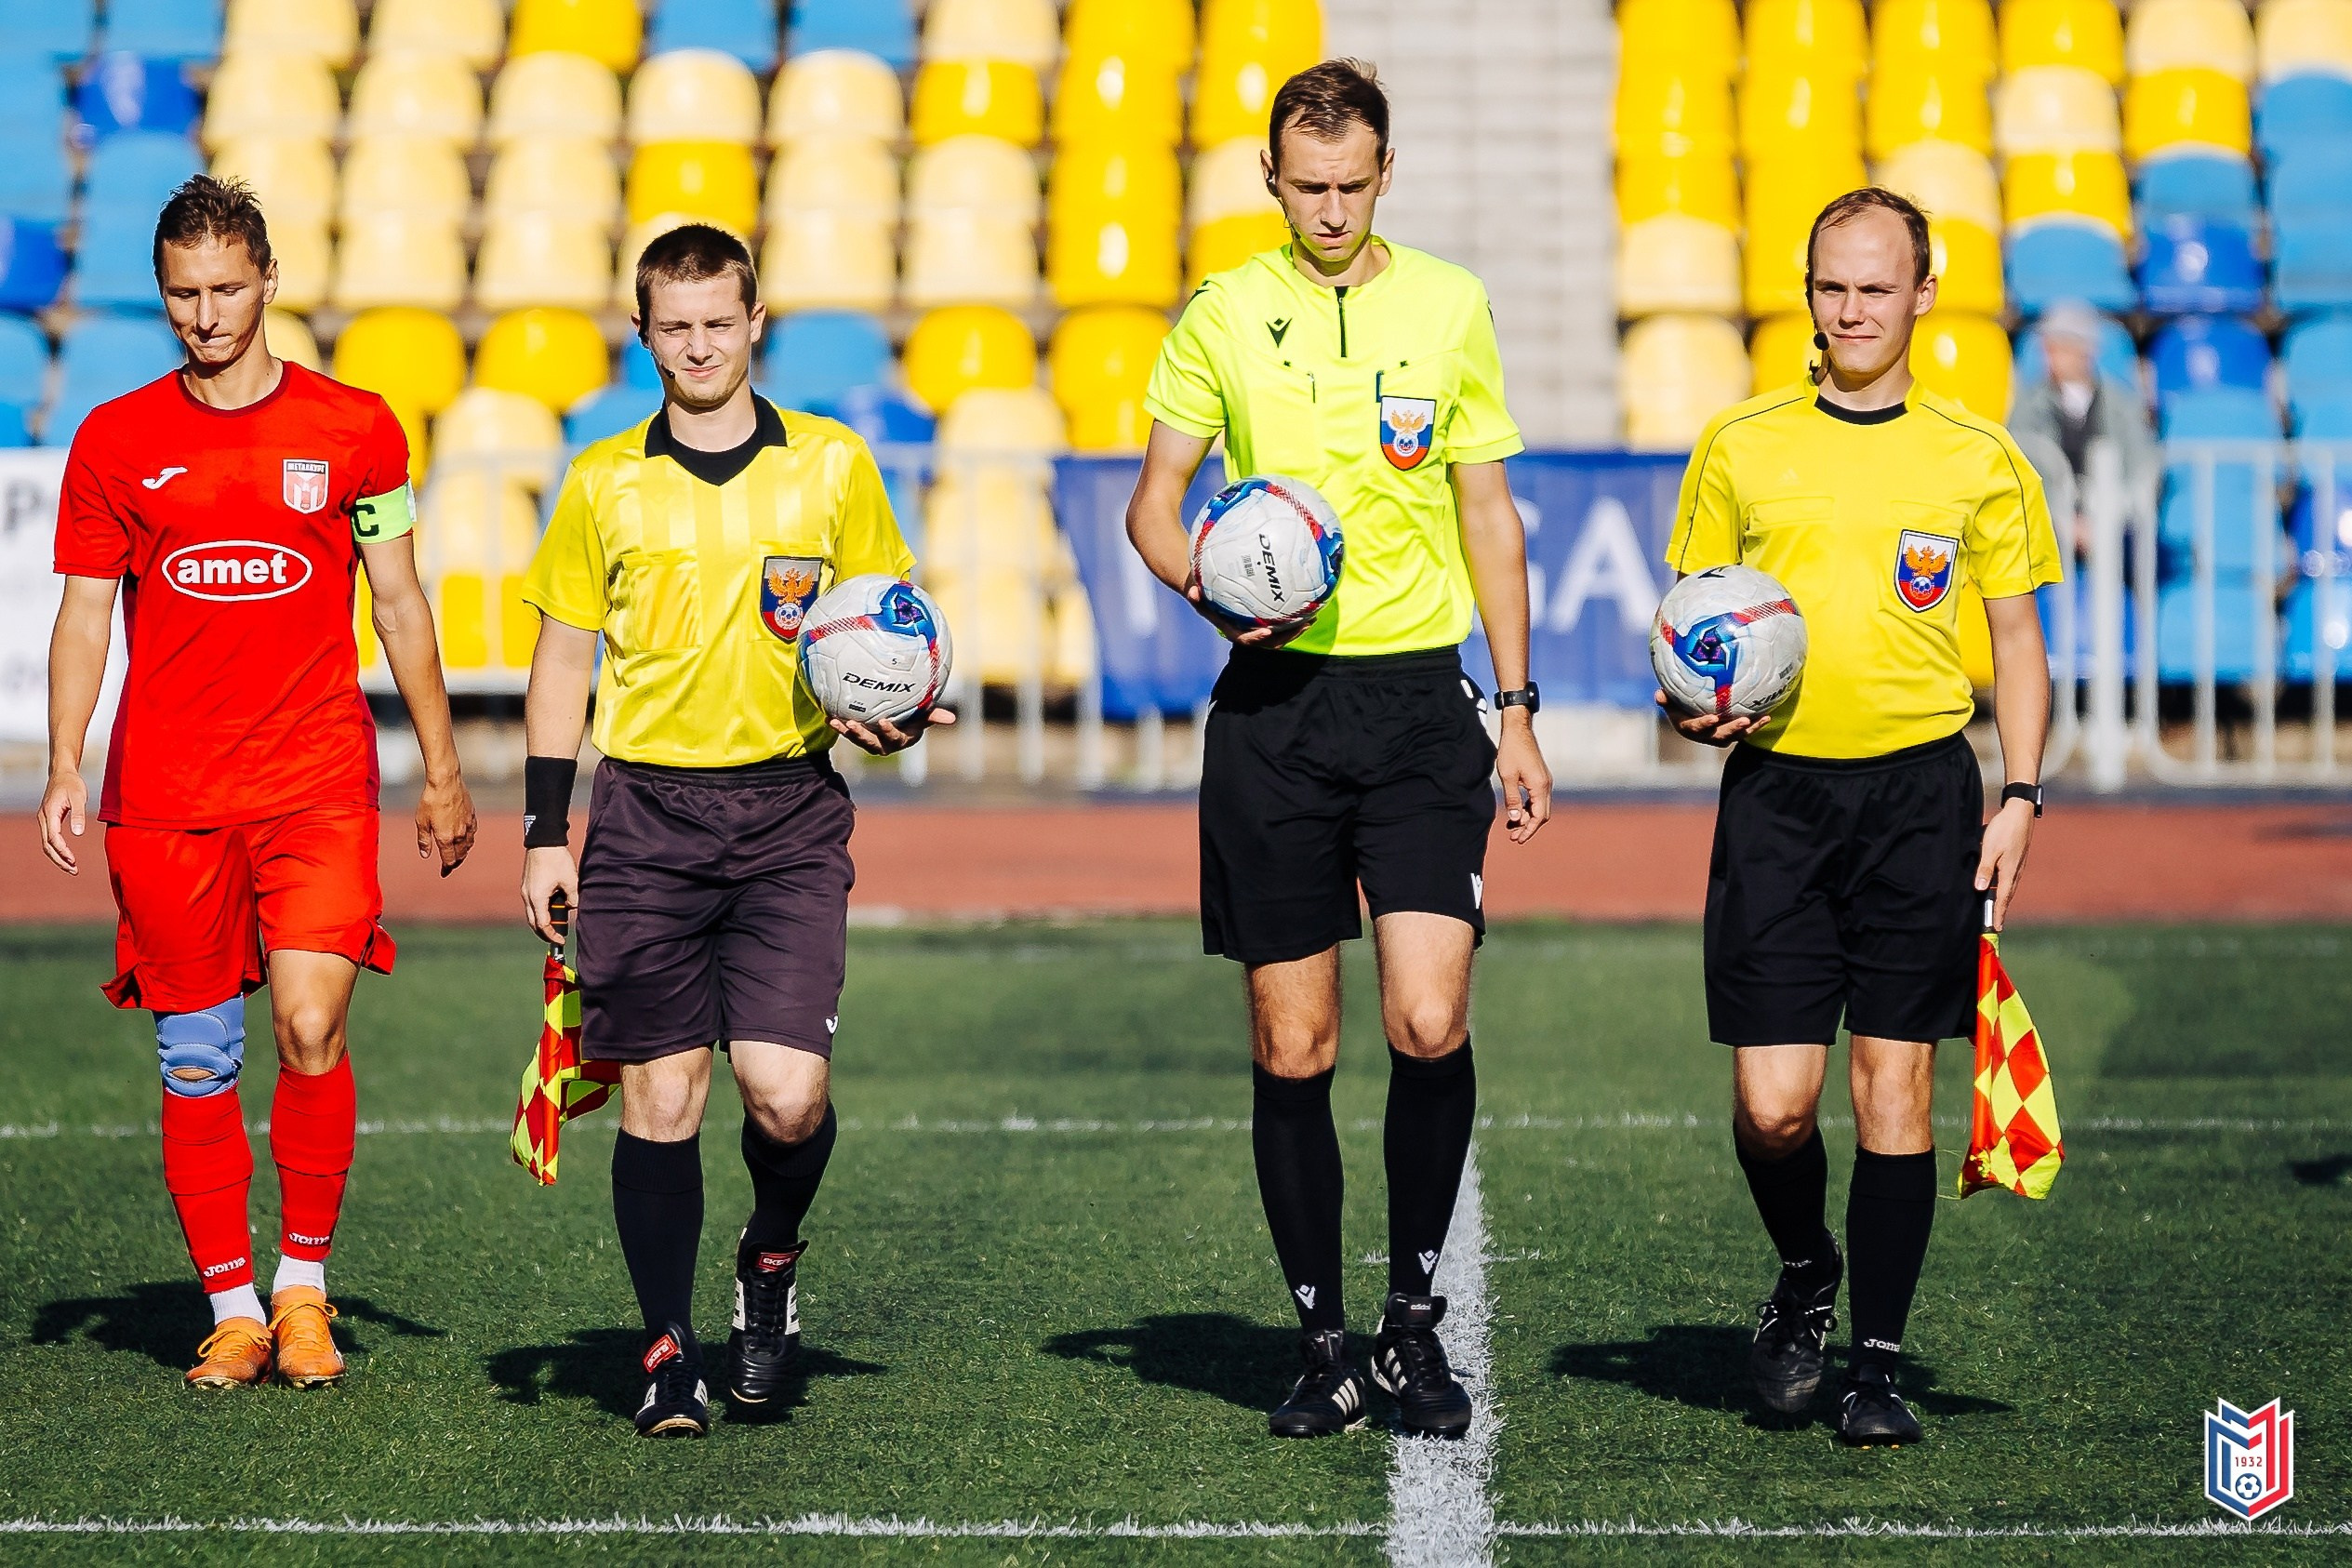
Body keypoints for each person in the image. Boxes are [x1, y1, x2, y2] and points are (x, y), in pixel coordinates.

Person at [1125, 60, 1551, 1441]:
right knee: (1292, 1041)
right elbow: (1150, 508)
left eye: (1350, 184)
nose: (1326, 206)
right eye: (1304, 185)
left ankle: (1411, 1323)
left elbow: (1488, 510)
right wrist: (1211, 593)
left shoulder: (1448, 304)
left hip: (1424, 709)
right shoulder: (1222, 315)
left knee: (1429, 1017)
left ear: (1384, 175)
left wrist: (1520, 703)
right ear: (1270, 179)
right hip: (1277, 717)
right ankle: (1321, 1340)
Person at [40, 176, 477, 1389]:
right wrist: (65, 757)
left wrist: (442, 769)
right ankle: (233, 1308)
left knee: (310, 1021)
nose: (206, 314)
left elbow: (398, 601)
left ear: (270, 279)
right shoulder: (116, 440)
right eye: (182, 293)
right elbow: (84, 615)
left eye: (227, 288)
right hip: (167, 797)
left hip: (317, 780)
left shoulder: (356, 428)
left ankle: (304, 1288)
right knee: (198, 1059)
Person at [518, 223, 944, 1439]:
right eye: (674, 324)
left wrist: (894, 719)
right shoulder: (602, 479)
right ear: (643, 333)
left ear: (755, 322)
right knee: (663, 1095)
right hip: (645, 815)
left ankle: (768, 1262)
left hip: (790, 814)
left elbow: (887, 631)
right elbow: (561, 657)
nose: (698, 344)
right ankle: (666, 1350)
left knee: (786, 1097)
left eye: (719, 321)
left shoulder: (833, 464)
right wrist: (547, 828)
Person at [1664, 188, 2063, 1445]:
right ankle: (1803, 1272)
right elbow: (1692, 622)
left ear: (1923, 297)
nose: (1852, 309)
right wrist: (1689, 705)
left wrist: (2019, 790)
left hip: (1919, 800)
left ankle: (1877, 1366)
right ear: (1808, 289)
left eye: (1877, 287)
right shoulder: (1738, 442)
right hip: (1777, 800)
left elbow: (2017, 646)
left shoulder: (1977, 455)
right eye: (1832, 285)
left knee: (1895, 1095)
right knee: (1774, 1107)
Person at [2006, 299, 2159, 557]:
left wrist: (2111, 519)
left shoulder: (2122, 405)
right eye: (2049, 348)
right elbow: (2018, 467)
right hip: (2045, 536)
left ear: (2085, 351)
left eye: (2062, 347)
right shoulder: (2028, 406)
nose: (2052, 357)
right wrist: (2061, 519)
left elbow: (2141, 464)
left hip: (2114, 536)